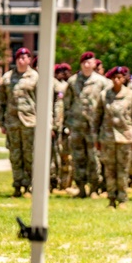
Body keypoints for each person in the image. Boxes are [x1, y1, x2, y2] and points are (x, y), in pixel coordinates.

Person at [65, 51, 110, 198]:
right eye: (84, 62)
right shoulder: (72, 81)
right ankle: (81, 188)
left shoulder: (102, 82)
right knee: (78, 158)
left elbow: (106, 105)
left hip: (94, 128)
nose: (86, 64)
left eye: (89, 62)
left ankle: (94, 188)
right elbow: (66, 103)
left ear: (94, 63)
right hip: (77, 126)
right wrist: (66, 123)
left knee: (94, 158)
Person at [94, 66, 132, 209]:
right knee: (109, 170)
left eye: (120, 77)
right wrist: (96, 138)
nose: (117, 80)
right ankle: (111, 198)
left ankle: (123, 199)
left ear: (124, 78)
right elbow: (97, 118)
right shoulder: (104, 95)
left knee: (123, 170)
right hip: (107, 138)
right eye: (114, 77)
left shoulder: (130, 95)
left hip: (125, 138)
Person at [0, 47, 38, 197]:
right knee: (15, 156)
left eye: (25, 57)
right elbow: (1, 102)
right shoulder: (7, 78)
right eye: (19, 57)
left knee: (29, 155)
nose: (21, 60)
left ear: (29, 60)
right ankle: (17, 186)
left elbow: (41, 101)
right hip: (12, 123)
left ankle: (28, 186)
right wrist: (2, 123)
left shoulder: (35, 77)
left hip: (30, 123)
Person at [52, 63, 72, 191]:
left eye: (64, 70)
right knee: (54, 156)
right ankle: (53, 182)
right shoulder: (53, 85)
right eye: (59, 70)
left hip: (66, 126)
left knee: (66, 156)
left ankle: (65, 184)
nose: (61, 73)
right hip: (55, 127)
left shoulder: (69, 86)